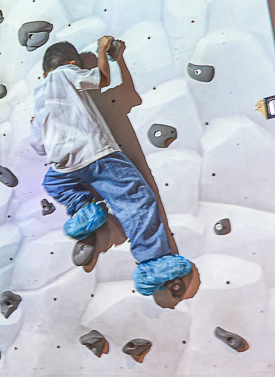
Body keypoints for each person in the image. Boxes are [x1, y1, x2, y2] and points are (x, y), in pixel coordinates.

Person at [30, 36, 191, 296]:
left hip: (63, 163)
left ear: (44, 72)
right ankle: (153, 263)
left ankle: (84, 209)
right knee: (136, 200)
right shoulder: (65, 73)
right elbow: (101, 80)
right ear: (70, 63)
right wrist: (103, 52)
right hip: (95, 152)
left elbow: (38, 145)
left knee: (53, 181)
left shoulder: (39, 95)